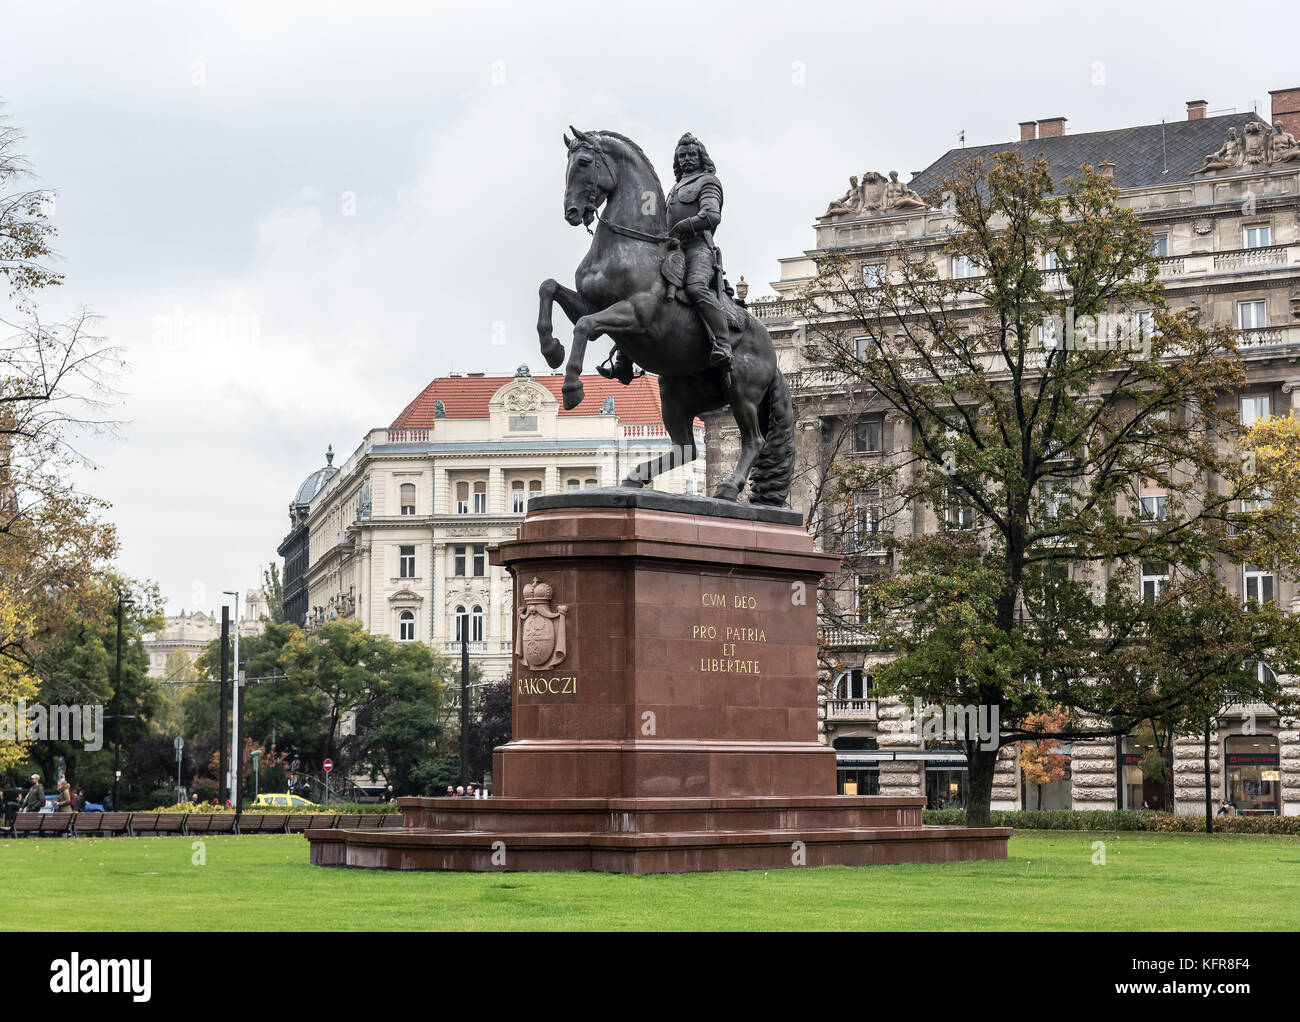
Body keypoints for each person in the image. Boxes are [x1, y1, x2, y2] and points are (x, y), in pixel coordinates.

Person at [599, 132, 732, 386]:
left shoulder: (708, 182)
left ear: (701, 157)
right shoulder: (673, 189)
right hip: (672, 249)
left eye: (692, 155)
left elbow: (712, 216)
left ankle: (723, 345)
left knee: (696, 287)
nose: (687, 159)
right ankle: (624, 360)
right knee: (637, 290)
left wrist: (682, 227)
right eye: (682, 156)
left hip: (698, 249)